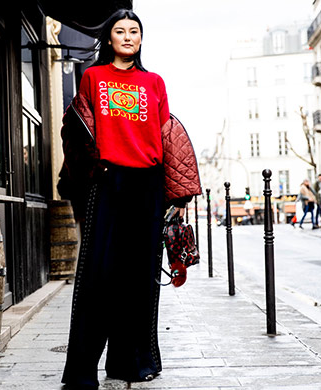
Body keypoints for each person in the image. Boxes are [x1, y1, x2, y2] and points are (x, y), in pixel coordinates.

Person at [56, 9, 201, 390]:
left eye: (133, 31)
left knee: (139, 279)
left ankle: (130, 363)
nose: (127, 36)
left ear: (141, 39)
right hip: (107, 183)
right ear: (109, 39)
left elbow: (166, 134)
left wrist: (178, 191)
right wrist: (82, 179)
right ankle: (82, 372)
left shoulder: (153, 82)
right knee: (97, 277)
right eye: (119, 31)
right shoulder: (92, 77)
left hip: (147, 185)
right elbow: (78, 129)